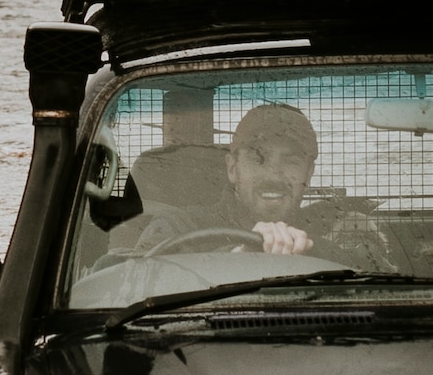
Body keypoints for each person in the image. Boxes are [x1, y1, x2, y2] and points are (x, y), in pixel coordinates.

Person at [123, 104, 395, 272]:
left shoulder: (326, 250)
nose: (273, 175)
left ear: (308, 174)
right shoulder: (176, 229)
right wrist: (237, 260)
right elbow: (134, 286)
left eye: (290, 160)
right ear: (232, 168)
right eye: (258, 157)